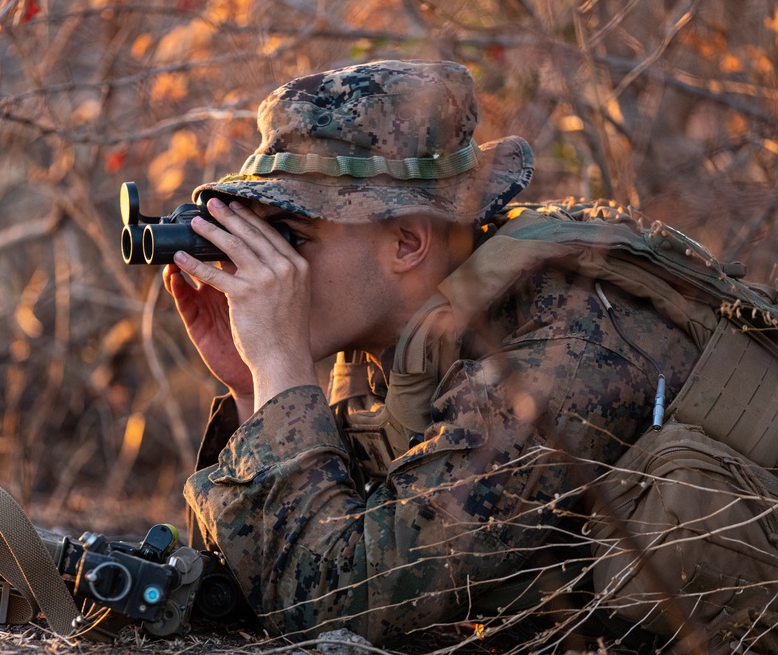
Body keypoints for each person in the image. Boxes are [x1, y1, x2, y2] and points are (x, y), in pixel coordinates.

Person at [161, 60, 704, 647]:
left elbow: (340, 609)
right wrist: (254, 390)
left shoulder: (562, 351)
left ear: (407, 242)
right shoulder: (391, 350)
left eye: (292, 236)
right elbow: (254, 590)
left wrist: (282, 370)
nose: (267, 266)